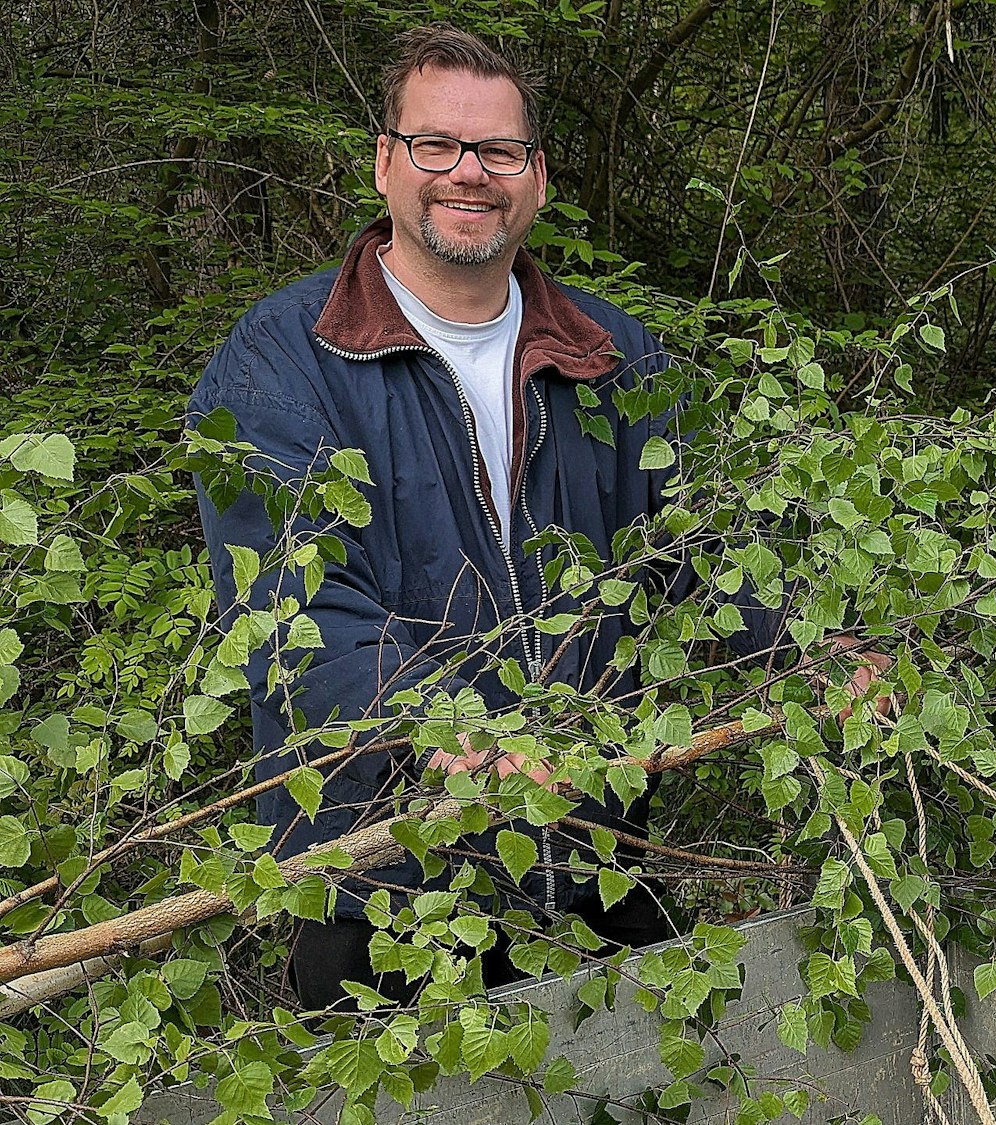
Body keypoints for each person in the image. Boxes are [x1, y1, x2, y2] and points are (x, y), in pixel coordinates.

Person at [190, 25, 886, 1010]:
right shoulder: (279, 363)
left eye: (498, 152)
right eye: (437, 145)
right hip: (381, 886)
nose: (468, 174)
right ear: (385, 163)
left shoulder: (614, 355)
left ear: (536, 178)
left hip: (591, 859)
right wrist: (447, 727)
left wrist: (811, 650)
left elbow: (703, 553)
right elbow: (290, 609)